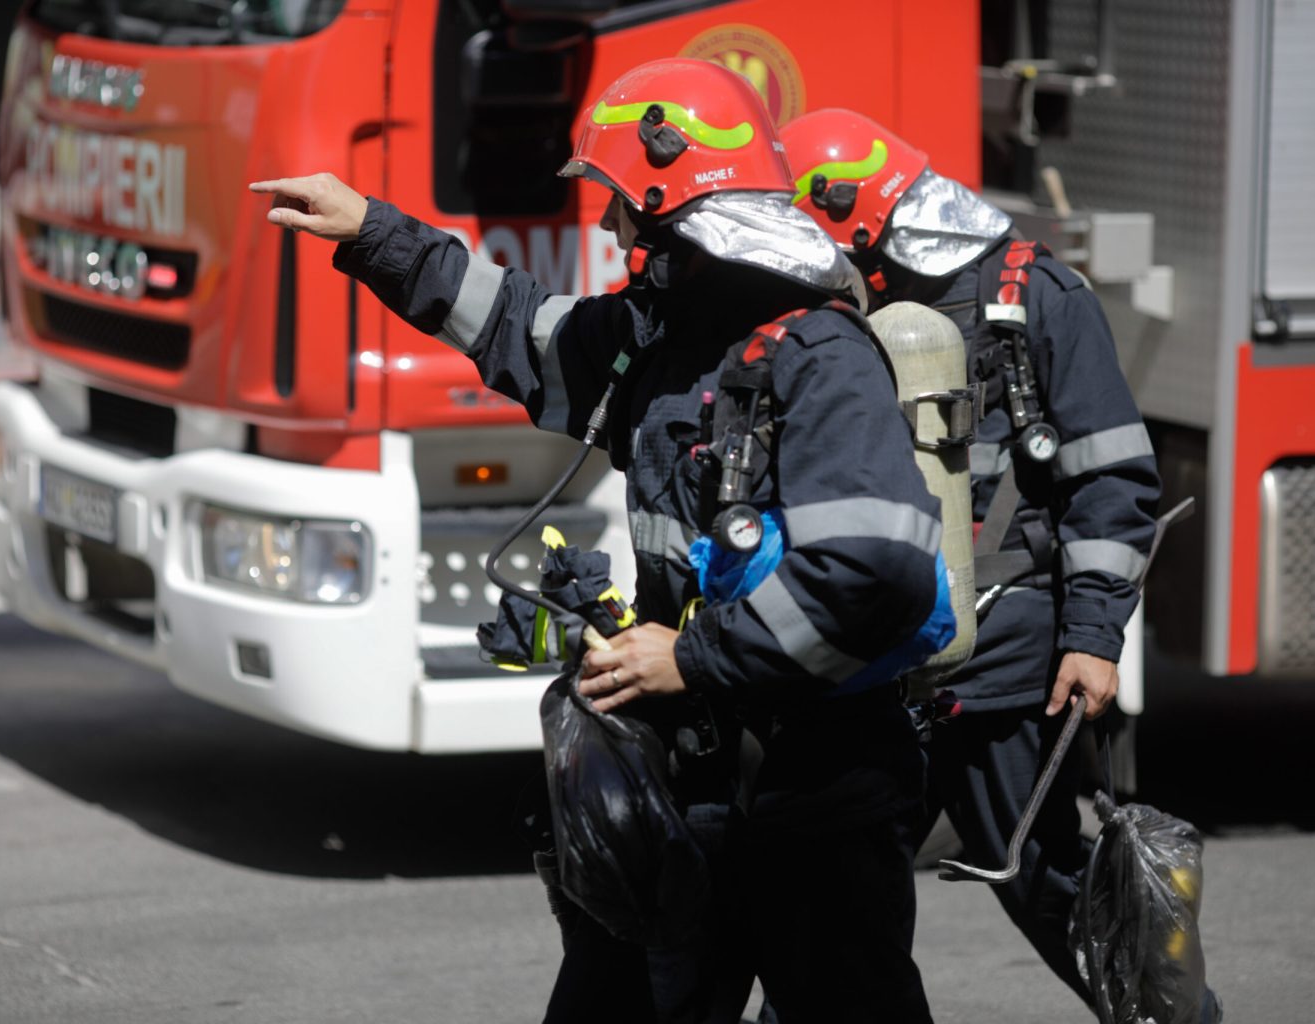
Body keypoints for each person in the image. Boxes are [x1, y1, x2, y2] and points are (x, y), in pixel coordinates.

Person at [252, 62, 944, 1023]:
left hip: (817, 804)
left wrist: (693, 658)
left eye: (625, 207)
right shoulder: (654, 347)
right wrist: (372, 230)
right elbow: (509, 324)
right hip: (685, 793)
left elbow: (878, 574)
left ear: (678, 212)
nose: (613, 230)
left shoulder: (820, 360)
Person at [780, 108, 1162, 1010]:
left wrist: (1095, 637)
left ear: (855, 209)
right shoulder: (839, 309)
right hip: (874, 662)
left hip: (1004, 669)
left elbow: (1112, 482)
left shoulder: (1037, 297)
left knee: (1053, 891)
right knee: (828, 907)